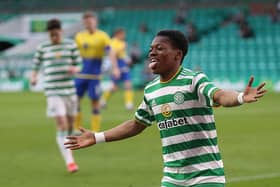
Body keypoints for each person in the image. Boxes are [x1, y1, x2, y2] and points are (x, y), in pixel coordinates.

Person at [65, 30, 267, 186]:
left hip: (206, 175)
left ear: (177, 55)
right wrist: (97, 137)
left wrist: (240, 97)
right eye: (151, 48)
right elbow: (137, 124)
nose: (152, 52)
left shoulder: (193, 79)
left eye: (160, 48)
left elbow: (220, 96)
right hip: (172, 178)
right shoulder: (151, 89)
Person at [30, 18, 81, 173]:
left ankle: (69, 153)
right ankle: (70, 161)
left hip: (69, 91)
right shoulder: (42, 48)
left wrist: (74, 69)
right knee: (62, 124)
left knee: (71, 126)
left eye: (56, 34)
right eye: (51, 35)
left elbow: (79, 64)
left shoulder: (71, 45)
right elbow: (35, 65)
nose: (54, 37)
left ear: (61, 31)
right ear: (48, 33)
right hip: (53, 91)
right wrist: (33, 77)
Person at [74, 11, 120, 132]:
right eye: (86, 21)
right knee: (75, 101)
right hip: (80, 75)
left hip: (94, 76)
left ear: (95, 21)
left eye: (90, 20)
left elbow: (110, 51)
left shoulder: (102, 36)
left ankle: (95, 131)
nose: (88, 23)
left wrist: (115, 67)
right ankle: (77, 129)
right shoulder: (79, 36)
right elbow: (74, 53)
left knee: (94, 102)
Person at [101, 28, 134, 110]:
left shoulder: (122, 42)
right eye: (122, 34)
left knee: (128, 84)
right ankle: (103, 101)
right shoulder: (113, 42)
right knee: (114, 87)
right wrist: (115, 68)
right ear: (117, 34)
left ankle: (128, 104)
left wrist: (127, 60)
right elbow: (112, 54)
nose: (124, 36)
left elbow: (122, 55)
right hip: (116, 65)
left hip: (123, 64)